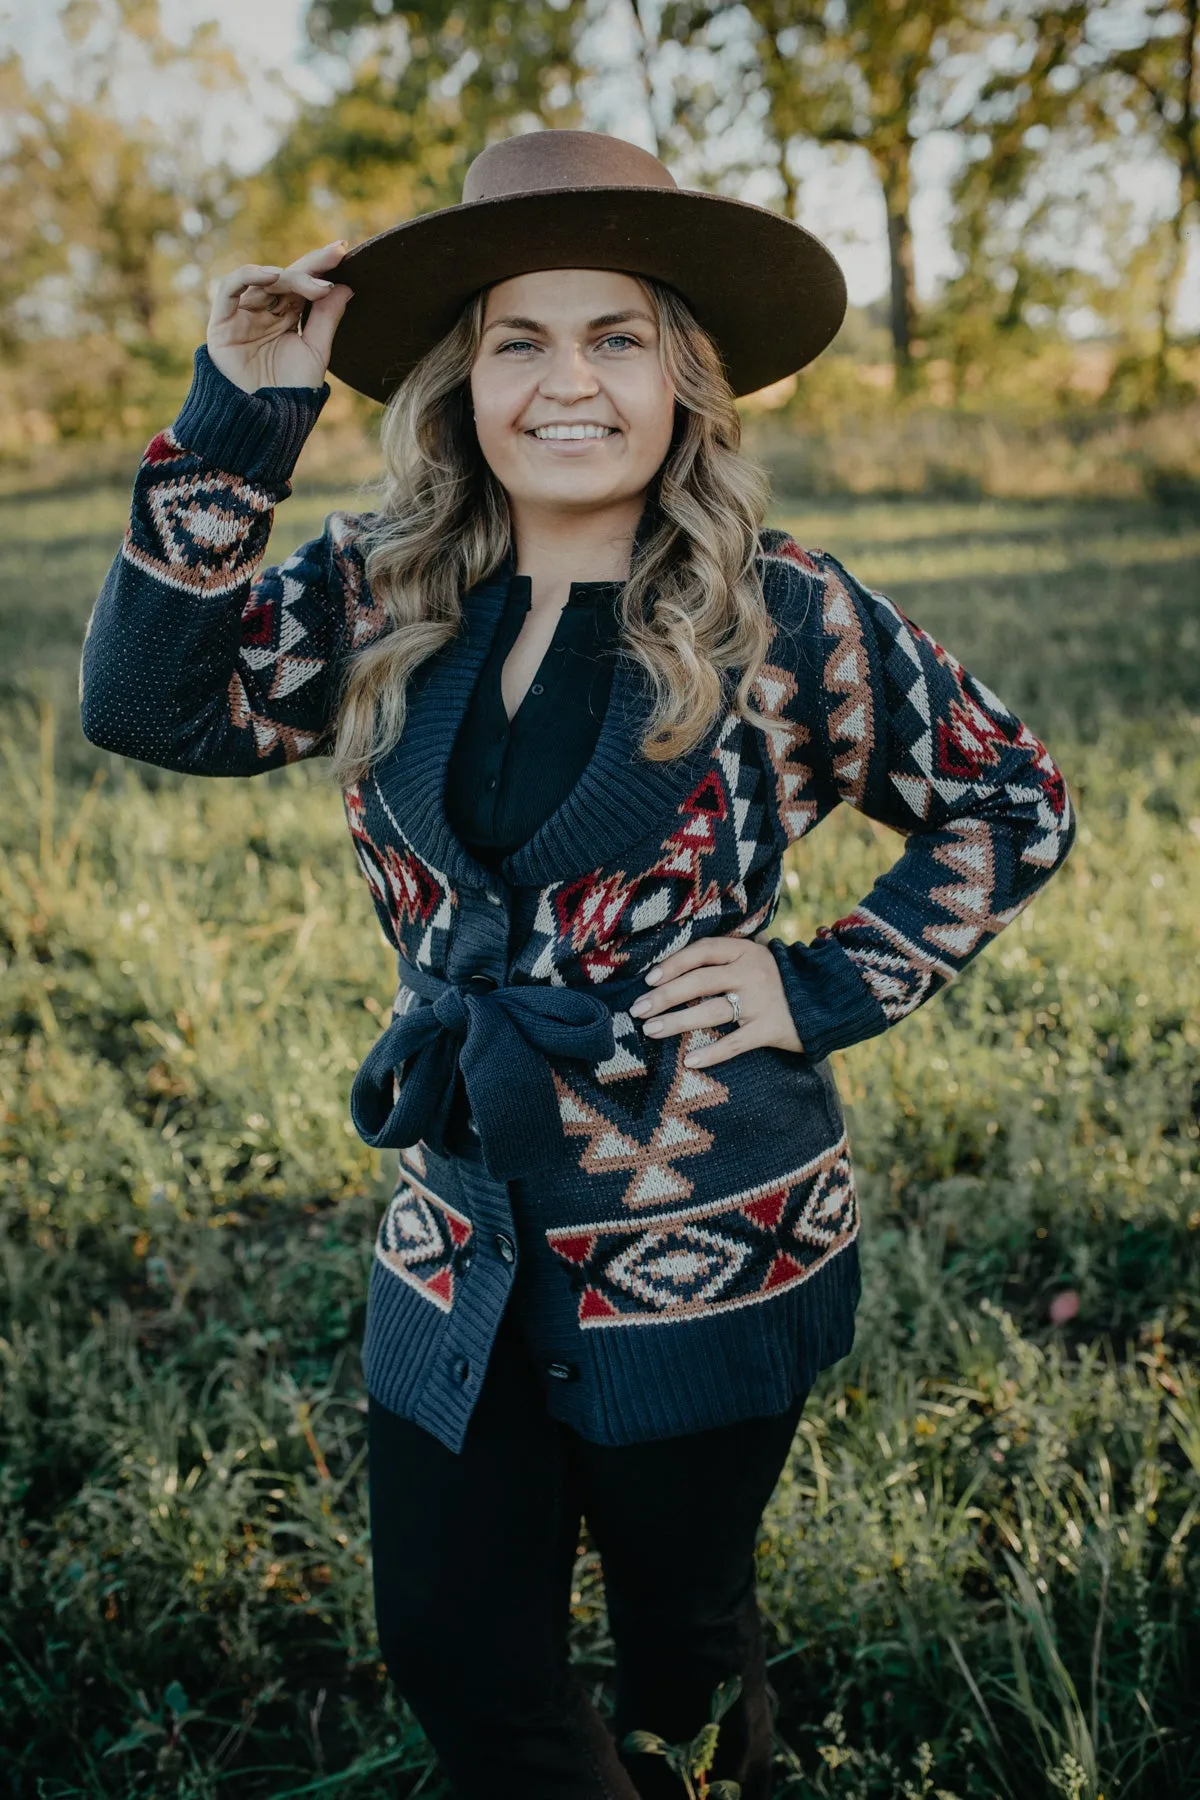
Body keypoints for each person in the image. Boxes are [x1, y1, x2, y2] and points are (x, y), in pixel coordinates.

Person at [80, 130, 1075, 1799]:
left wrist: (826, 983)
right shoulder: (384, 584)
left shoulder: (786, 613)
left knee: (686, 1653)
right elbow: (149, 703)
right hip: (459, 1216)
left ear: (681, 377)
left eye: (615, 336)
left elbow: (1011, 798)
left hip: (710, 1225)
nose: (568, 383)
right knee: (463, 1659)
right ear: (464, 380)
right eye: (518, 340)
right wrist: (243, 412)